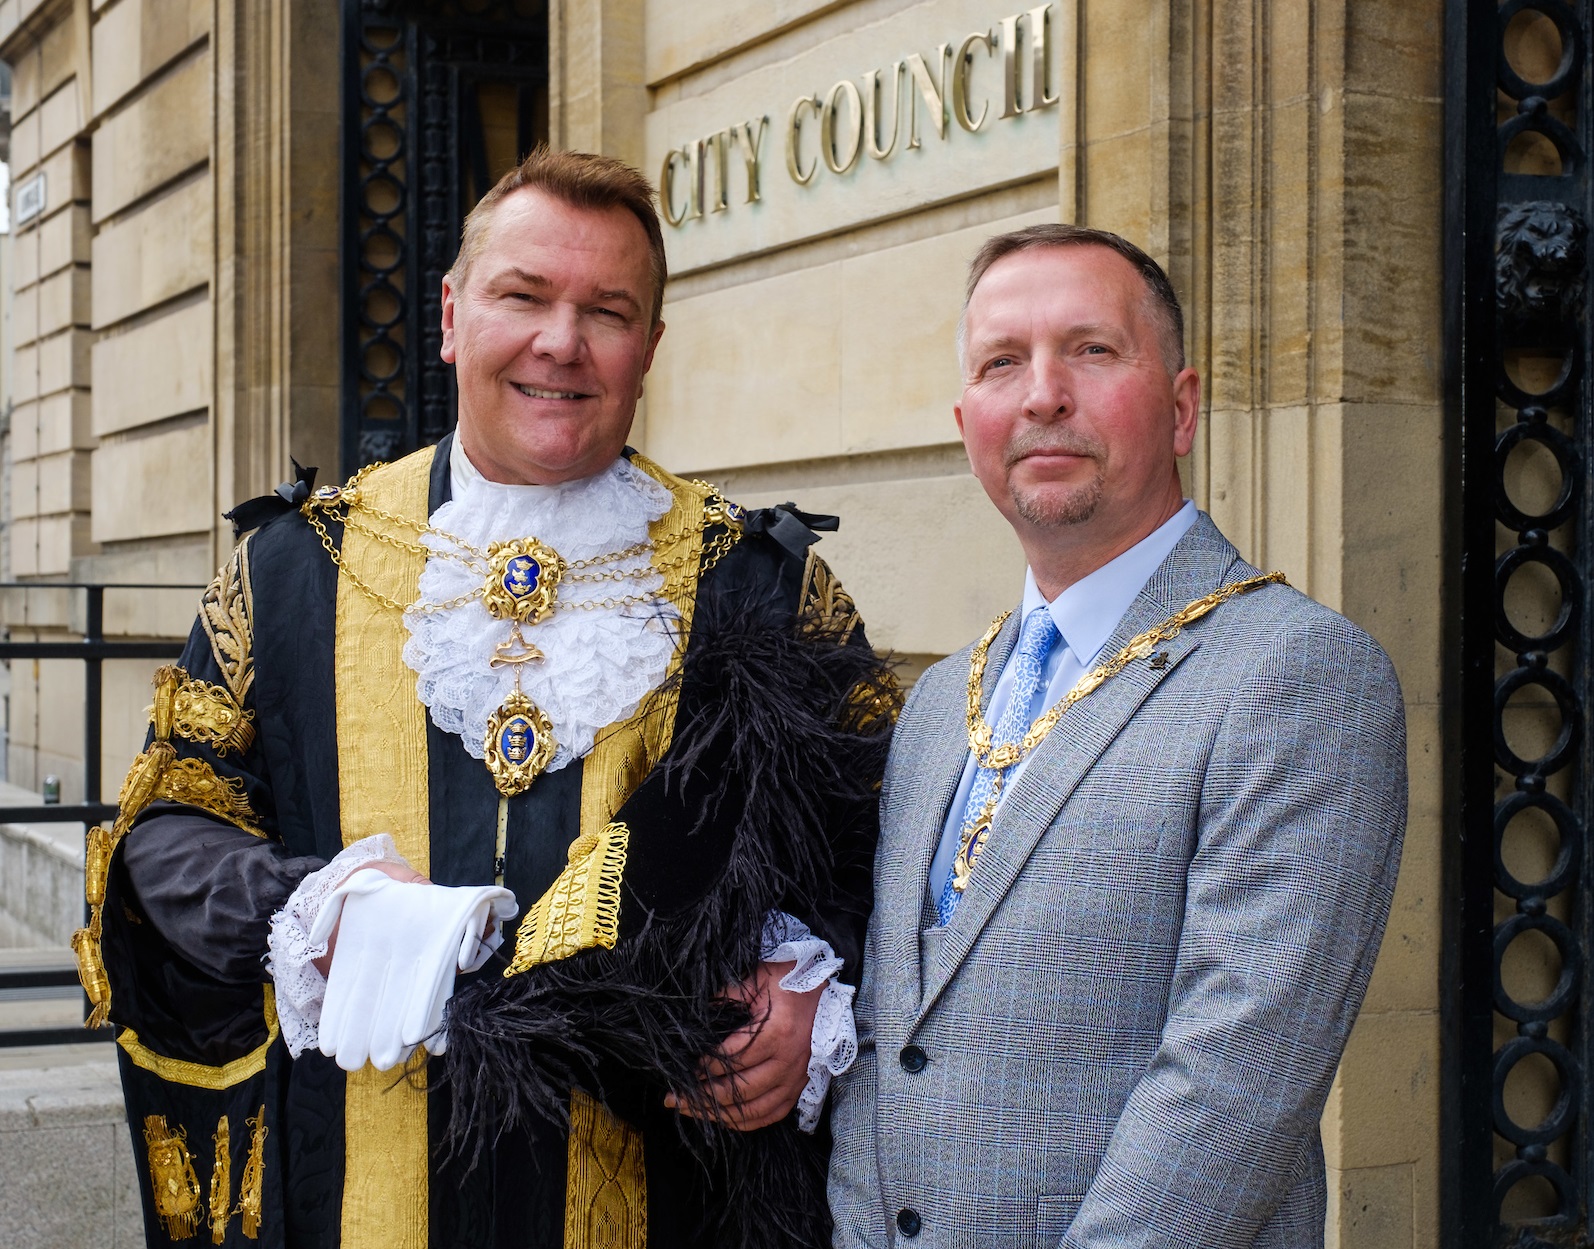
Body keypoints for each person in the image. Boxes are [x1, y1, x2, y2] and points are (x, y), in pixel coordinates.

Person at [79, 148, 895, 1249]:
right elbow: (165, 829)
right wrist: (316, 912)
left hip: (669, 1197)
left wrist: (812, 993)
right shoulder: (290, 570)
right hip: (347, 1193)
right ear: (454, 315)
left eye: (607, 311)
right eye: (524, 296)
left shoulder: (760, 584)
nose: (561, 341)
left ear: (650, 349)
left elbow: (880, 852)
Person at [826, 225, 1406, 1247]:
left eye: (1091, 350)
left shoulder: (1296, 675)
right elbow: (887, 1044)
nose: (1043, 393)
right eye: (1003, 362)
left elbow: (1231, 1088)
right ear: (968, 422)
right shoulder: (935, 706)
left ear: (1180, 408)